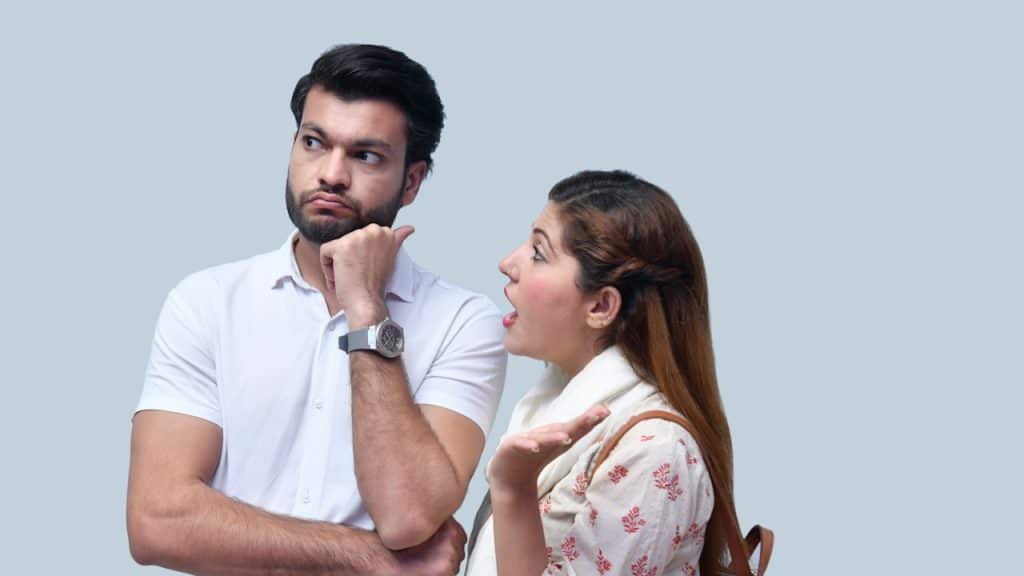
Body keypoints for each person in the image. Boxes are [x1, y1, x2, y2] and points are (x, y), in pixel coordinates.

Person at [127, 44, 507, 575]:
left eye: (365, 155)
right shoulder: (206, 303)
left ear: (413, 181)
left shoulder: (464, 324)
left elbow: (409, 515)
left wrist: (367, 310)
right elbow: (157, 522)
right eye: (314, 142)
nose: (330, 174)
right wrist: (366, 558)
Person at [467, 170, 745, 575]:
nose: (508, 263)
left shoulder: (653, 450)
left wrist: (513, 488)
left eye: (539, 253)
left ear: (600, 307)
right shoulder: (552, 408)